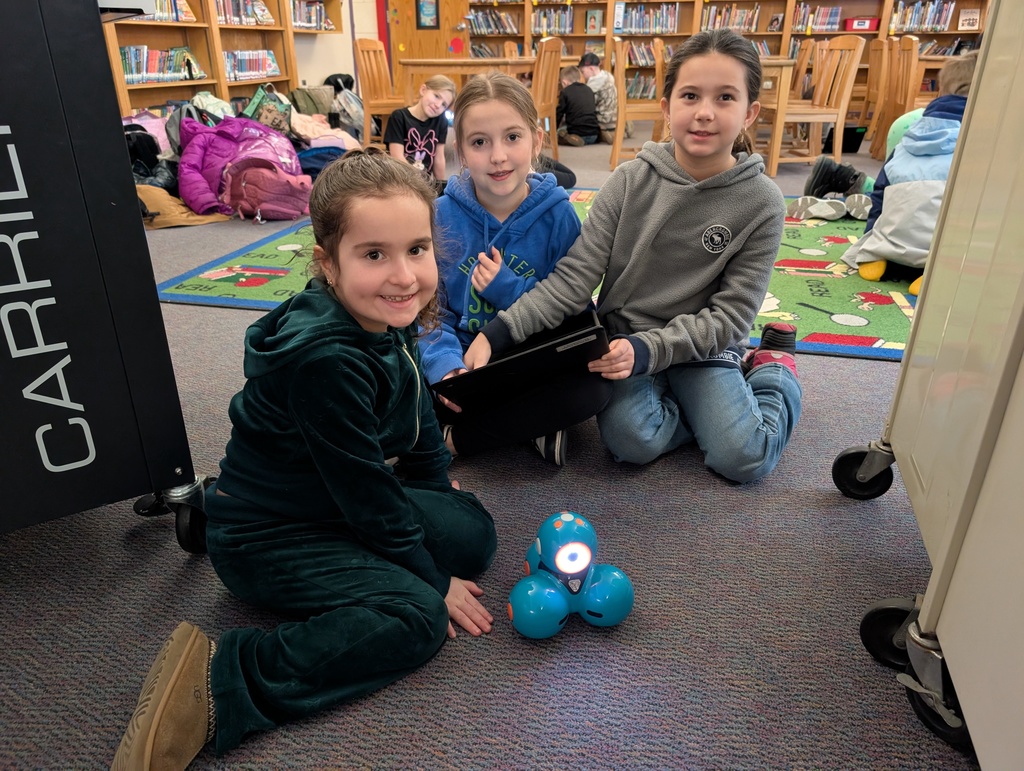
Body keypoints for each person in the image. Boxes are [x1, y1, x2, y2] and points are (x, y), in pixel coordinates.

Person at [110, 149, 497, 768]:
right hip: (268, 535)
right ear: (328, 264)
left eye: (416, 249)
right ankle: (222, 683)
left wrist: (435, 503)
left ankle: (215, 505)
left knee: (471, 534)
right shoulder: (328, 360)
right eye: (374, 254)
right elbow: (369, 493)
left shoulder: (381, 313)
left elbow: (420, 422)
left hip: (322, 499)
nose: (403, 276)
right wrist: (427, 575)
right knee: (415, 618)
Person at [464, 29, 801, 484]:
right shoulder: (627, 181)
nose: (704, 113)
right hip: (624, 341)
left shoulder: (762, 203)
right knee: (629, 442)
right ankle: (703, 412)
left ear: (749, 113)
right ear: (666, 108)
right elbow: (572, 280)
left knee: (743, 458)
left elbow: (732, 318)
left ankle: (774, 371)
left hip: (700, 347)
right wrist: (498, 332)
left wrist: (650, 351)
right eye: (689, 95)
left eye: (725, 98)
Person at [424, 72, 611, 466]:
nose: (497, 156)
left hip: (531, 361)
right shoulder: (440, 216)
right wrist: (446, 368)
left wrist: (508, 289)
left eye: (512, 137)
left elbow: (574, 311)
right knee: (394, 381)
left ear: (536, 141)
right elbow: (428, 312)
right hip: (461, 364)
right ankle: (527, 428)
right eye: (479, 142)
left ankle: (461, 440)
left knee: (595, 389)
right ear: (460, 149)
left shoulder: (559, 216)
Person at [838, 50, 978, 295]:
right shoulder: (986, 136)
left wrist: (870, 237)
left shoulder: (911, 133)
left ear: (941, 92)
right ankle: (934, 272)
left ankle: (877, 256)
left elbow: (880, 193)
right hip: (938, 248)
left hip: (890, 241)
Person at [385, 74, 456, 194]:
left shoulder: (441, 121)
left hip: (424, 185)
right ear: (423, 90)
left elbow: (439, 158)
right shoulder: (399, 117)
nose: (438, 105)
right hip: (399, 181)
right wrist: (418, 183)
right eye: (436, 96)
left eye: (444, 104)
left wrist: (441, 189)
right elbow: (397, 157)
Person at [579, 51, 619, 145]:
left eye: (583, 72)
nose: (582, 75)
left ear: (591, 68)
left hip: (603, 121)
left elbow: (587, 106)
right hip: (613, 117)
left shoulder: (594, 85)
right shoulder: (607, 76)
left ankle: (604, 134)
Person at [556, 65, 601, 147]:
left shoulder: (565, 92)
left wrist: (553, 129)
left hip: (577, 133)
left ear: (564, 82)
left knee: (560, 132)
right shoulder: (589, 89)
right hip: (594, 133)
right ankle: (601, 135)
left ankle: (570, 138)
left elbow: (559, 113)